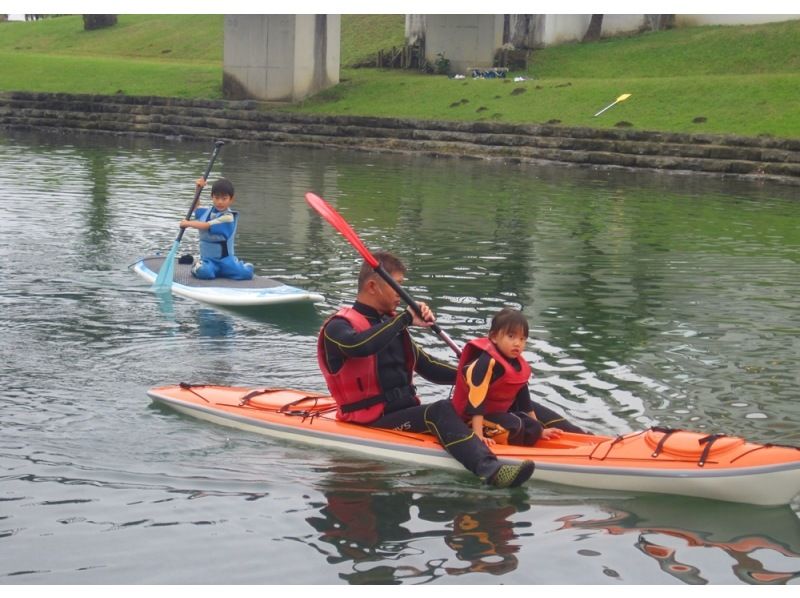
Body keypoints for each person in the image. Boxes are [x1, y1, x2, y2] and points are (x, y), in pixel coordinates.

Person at [317, 251, 535, 488]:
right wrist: (404, 319)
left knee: (480, 398)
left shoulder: (390, 326)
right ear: (372, 286)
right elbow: (360, 346)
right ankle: (491, 470)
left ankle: (566, 434)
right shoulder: (338, 327)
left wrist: (479, 376)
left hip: (405, 415)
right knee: (439, 410)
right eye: (398, 286)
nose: (404, 295)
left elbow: (428, 367)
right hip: (367, 421)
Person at [451, 307, 587, 447]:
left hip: (494, 416)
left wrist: (540, 431)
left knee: (533, 427)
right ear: (494, 337)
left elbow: (525, 402)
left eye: (522, 339)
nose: (517, 343)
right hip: (468, 420)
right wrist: (477, 435)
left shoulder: (518, 365)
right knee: (516, 427)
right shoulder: (486, 363)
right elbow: (476, 402)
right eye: (511, 336)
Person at [179, 177, 254, 280]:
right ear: (212, 197)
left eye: (224, 198)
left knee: (246, 274)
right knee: (205, 273)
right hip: (209, 261)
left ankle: (241, 266)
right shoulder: (207, 212)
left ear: (231, 199)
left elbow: (206, 225)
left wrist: (188, 223)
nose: (220, 202)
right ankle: (197, 266)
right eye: (217, 198)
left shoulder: (228, 217)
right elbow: (196, 207)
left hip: (226, 261)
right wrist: (198, 188)